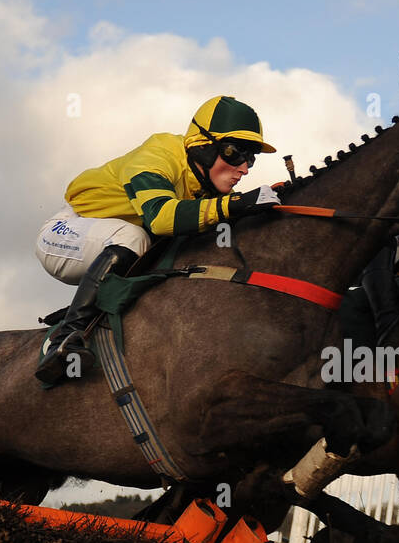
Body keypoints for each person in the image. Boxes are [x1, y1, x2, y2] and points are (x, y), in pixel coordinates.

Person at [34, 95, 279, 384]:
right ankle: (66, 338)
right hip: (64, 232)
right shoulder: (157, 156)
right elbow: (162, 218)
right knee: (134, 236)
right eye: (234, 153)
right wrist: (236, 204)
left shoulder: (205, 186)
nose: (245, 168)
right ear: (201, 145)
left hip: (113, 241)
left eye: (250, 158)